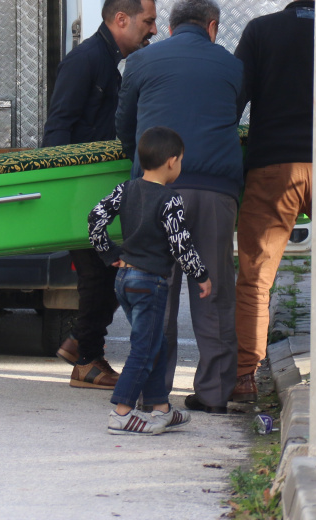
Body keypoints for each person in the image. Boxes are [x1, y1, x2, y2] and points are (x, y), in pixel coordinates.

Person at [115, 0, 244, 414]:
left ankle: (151, 392)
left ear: (170, 28)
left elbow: (125, 122)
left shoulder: (141, 62)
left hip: (155, 189)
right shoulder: (231, 65)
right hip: (213, 191)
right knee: (214, 291)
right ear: (212, 27)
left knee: (157, 293)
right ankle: (213, 393)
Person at [44, 0, 159, 390]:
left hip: (94, 190)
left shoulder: (107, 62)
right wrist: (62, 189)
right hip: (80, 190)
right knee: (99, 273)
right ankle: (88, 361)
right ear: (121, 19)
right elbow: (58, 125)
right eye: (148, 21)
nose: (154, 30)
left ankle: (81, 344)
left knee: (109, 271)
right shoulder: (86, 60)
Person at [88, 127, 210, 435]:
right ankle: (121, 413)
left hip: (124, 280)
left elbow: (95, 218)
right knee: (144, 348)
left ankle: (161, 409)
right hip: (150, 283)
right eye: (181, 160)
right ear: (172, 162)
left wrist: (109, 253)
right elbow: (180, 243)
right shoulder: (170, 200)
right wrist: (201, 275)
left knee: (156, 341)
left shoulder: (125, 189)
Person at [231, 0, 316, 403]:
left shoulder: (261, 30)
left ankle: (246, 377)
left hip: (272, 166)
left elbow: (236, 98)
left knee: (256, 278)